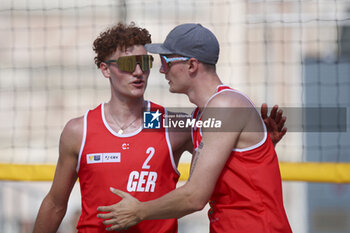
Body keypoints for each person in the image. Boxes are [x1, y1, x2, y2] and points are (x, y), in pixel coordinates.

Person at [32, 22, 286, 233]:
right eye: (129, 64)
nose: (141, 71)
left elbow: (196, 194)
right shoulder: (81, 130)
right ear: (105, 70)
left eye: (147, 62)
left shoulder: (175, 124)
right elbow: (55, 204)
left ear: (191, 65)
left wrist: (255, 138)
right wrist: (257, 141)